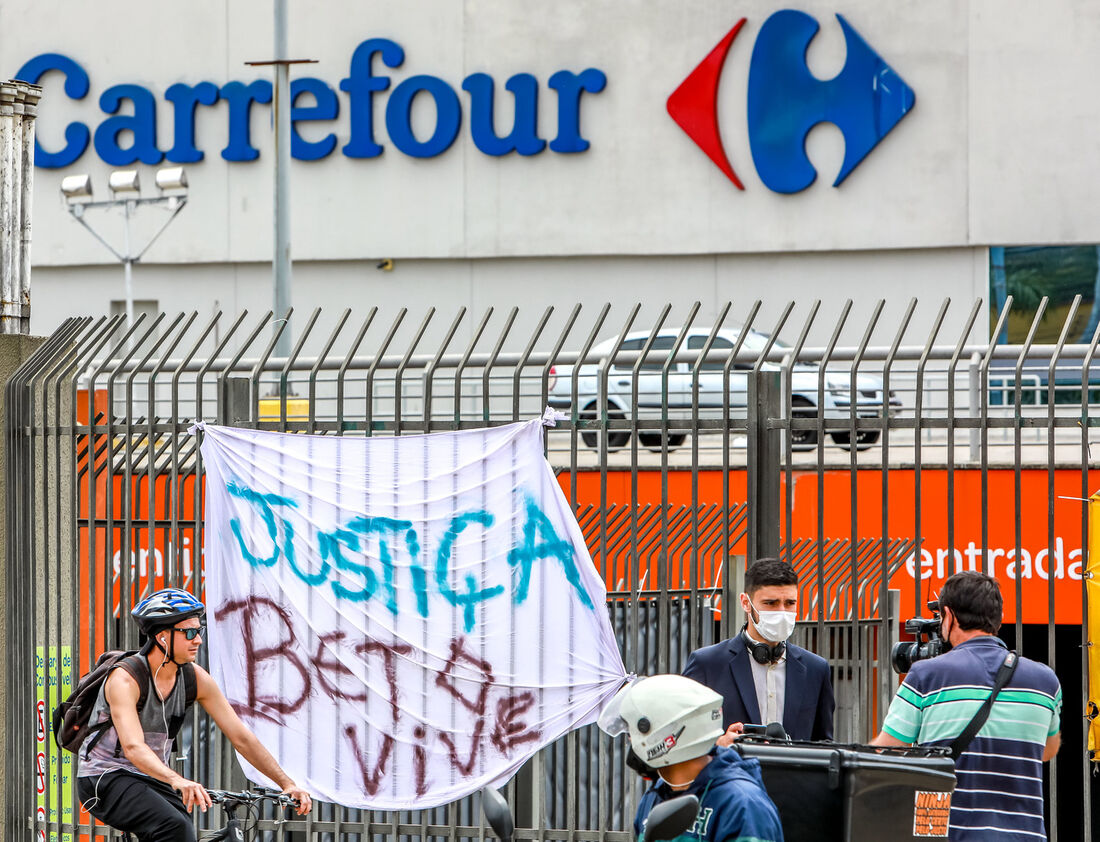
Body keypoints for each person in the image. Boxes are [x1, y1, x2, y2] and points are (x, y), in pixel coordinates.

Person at [76, 588, 312, 841]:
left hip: (150, 778)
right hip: (105, 777)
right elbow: (134, 747)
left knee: (183, 831)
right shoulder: (125, 679)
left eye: (199, 631)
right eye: (189, 633)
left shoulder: (194, 678)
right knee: (174, 826)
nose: (197, 640)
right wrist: (177, 780)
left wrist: (286, 783)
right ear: (163, 637)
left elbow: (241, 737)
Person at [871, 570, 1061, 841]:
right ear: (999, 619)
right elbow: (1048, 750)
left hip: (950, 834)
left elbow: (884, 752)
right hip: (1024, 835)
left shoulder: (927, 675)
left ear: (948, 616)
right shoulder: (1046, 681)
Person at [599, 674, 784, 842]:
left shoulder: (742, 806)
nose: (632, 742)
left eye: (634, 733)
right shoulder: (656, 795)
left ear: (667, 736)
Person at [683, 558, 834, 743]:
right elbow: (681, 741)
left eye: (789, 603)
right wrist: (718, 746)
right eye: (770, 603)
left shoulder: (816, 669)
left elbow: (824, 745)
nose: (781, 611)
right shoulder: (707, 663)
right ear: (746, 602)